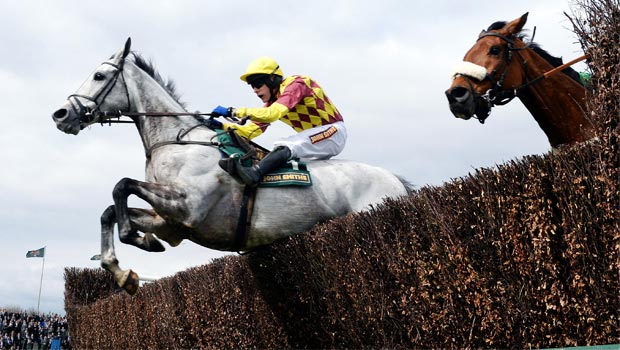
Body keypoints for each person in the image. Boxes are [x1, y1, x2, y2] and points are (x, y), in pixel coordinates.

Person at [210, 56, 347, 187]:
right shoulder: (273, 102)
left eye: (258, 84)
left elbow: (272, 114)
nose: (255, 90)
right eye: (252, 86)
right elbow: (251, 131)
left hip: (333, 132)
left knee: (285, 144)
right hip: (316, 139)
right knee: (286, 162)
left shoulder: (297, 84)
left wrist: (233, 111)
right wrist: (222, 126)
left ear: (272, 79)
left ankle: (255, 173)